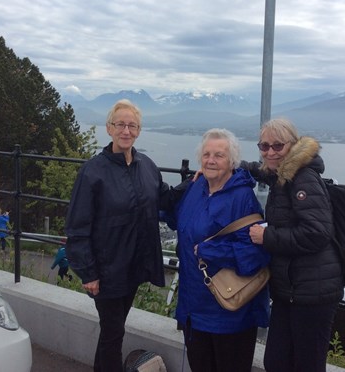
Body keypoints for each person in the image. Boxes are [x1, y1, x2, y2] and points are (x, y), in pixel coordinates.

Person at [65, 99, 186, 372]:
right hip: (106, 270)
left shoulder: (146, 165)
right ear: (109, 128)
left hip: (133, 266)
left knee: (113, 330)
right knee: (113, 332)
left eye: (132, 125)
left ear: (139, 130)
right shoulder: (93, 171)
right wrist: (89, 272)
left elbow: (164, 197)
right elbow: (77, 226)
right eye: (120, 124)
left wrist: (198, 181)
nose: (126, 131)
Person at [242, 118, 344, 372]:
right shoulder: (284, 173)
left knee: (305, 364)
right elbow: (264, 170)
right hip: (292, 290)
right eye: (264, 146)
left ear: (293, 146)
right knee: (277, 361)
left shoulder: (303, 179)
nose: (270, 152)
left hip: (313, 292)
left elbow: (317, 233)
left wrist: (267, 237)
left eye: (277, 146)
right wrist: (233, 164)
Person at [169, 128, 271, 372]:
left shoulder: (243, 197)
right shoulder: (196, 187)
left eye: (219, 155)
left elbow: (255, 252)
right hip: (194, 307)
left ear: (232, 161)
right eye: (206, 154)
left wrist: (209, 250)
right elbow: (179, 220)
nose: (211, 160)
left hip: (229, 312)